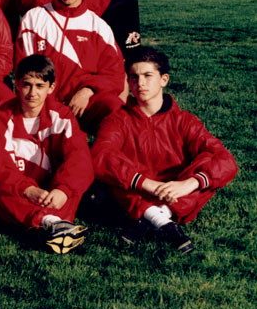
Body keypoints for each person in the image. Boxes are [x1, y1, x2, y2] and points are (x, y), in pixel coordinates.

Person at [92, 47, 237, 253]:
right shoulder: (118, 120)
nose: (140, 83)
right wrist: (146, 184)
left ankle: (154, 216)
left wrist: (189, 183)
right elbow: (100, 157)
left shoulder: (184, 120)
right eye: (134, 77)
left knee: (210, 165)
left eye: (147, 76)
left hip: (175, 192)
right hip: (137, 190)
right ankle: (165, 223)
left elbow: (226, 160)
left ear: (164, 80)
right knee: (111, 165)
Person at [0, 55, 93, 253]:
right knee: (1, 192)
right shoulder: (1, 116)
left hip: (51, 189)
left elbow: (80, 160)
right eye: (27, 85)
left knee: (74, 187)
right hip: (19, 190)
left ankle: (47, 228)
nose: (32, 93)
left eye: (39, 86)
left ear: (51, 88)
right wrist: (27, 189)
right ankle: (53, 223)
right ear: (16, 85)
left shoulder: (61, 115)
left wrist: (63, 190)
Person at [15, 0, 125, 133]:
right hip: (44, 103)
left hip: (84, 104)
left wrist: (88, 91)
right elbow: (23, 69)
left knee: (115, 107)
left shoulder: (98, 26)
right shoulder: (34, 19)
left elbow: (115, 76)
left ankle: (107, 153)